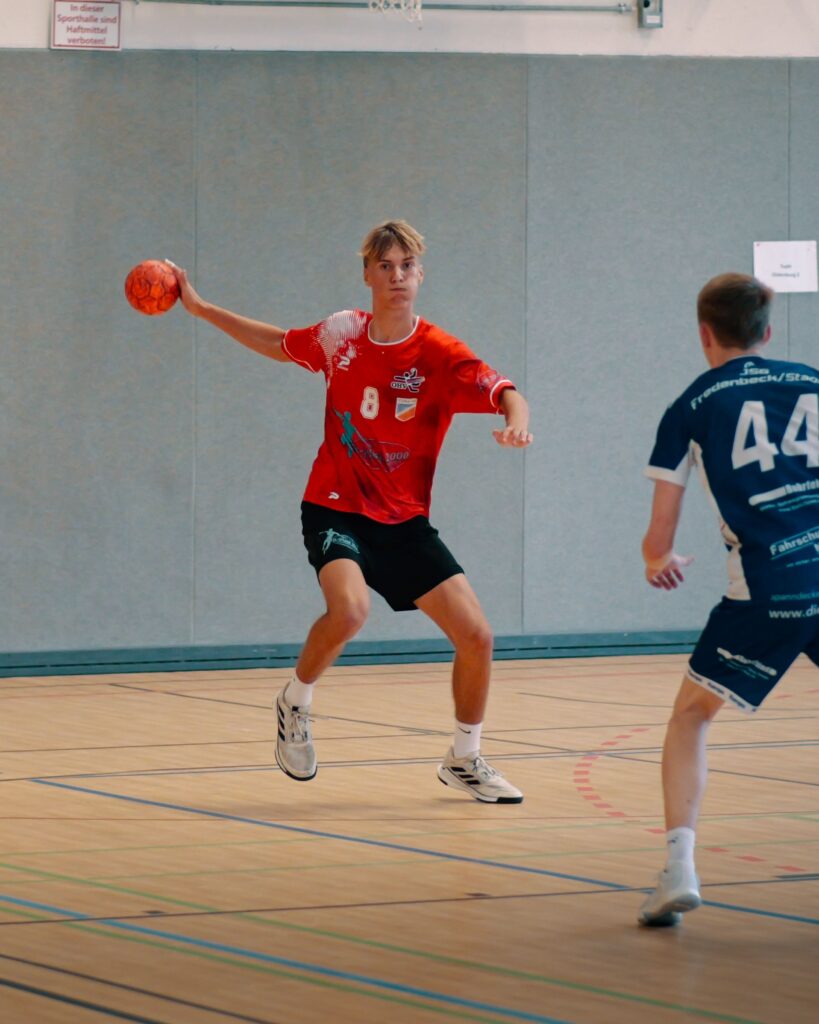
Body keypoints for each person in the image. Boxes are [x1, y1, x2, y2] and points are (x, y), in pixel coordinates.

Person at [169, 220, 532, 804]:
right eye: (385, 266)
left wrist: (516, 422)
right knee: (351, 609)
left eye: (406, 266)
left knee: (478, 636)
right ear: (367, 274)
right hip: (334, 506)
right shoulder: (342, 335)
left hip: (403, 520)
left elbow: (505, 392)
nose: (397, 276)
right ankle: (295, 701)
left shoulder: (439, 353)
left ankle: (464, 758)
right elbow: (278, 343)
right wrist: (202, 308)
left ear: (420, 275)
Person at [639, 272, 819, 926]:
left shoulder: (690, 406)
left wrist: (657, 560)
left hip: (769, 588)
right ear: (766, 333)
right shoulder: (811, 381)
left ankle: (678, 869)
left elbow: (658, 536)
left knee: (691, 716)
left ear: (703, 334)